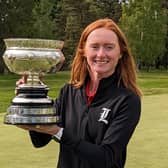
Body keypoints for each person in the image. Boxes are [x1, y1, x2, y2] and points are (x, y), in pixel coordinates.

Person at [17, 18, 142, 168]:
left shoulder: (127, 100)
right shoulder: (68, 92)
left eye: (109, 47)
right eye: (94, 47)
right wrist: (32, 97)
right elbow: (40, 141)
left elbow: (106, 158)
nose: (101, 54)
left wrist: (59, 132)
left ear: (120, 52)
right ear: (84, 51)